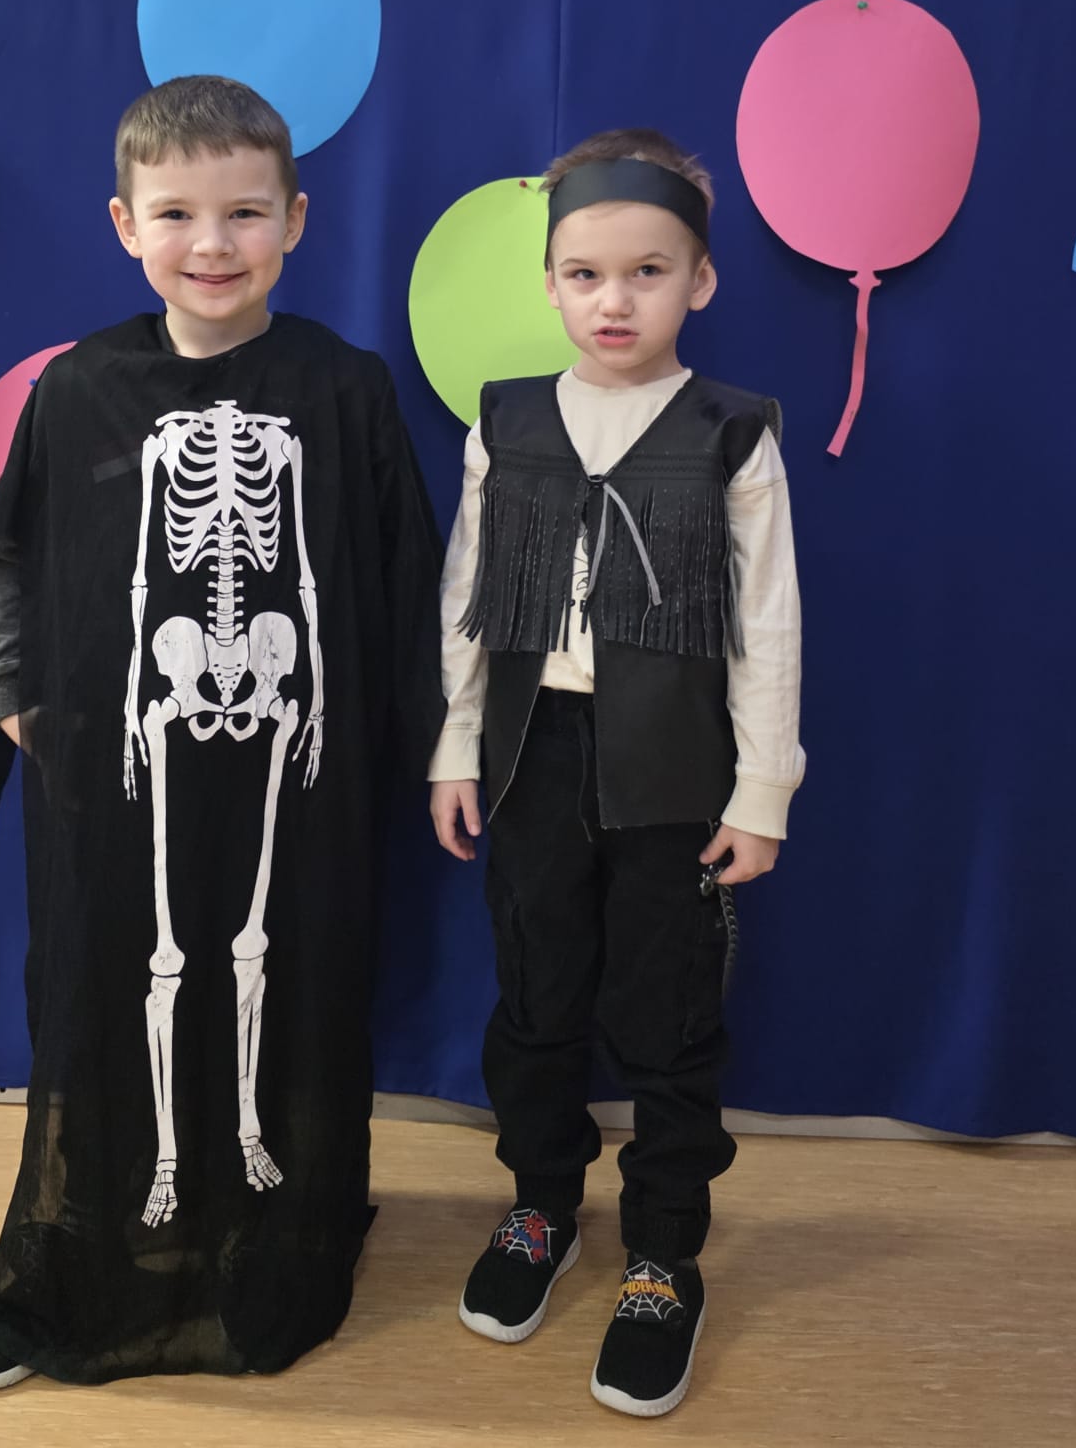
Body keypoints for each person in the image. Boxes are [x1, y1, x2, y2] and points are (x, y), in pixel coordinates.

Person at [0, 75, 444, 1389]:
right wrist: (11, 689)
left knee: (292, 964)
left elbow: (405, 578)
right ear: (125, 224)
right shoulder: (80, 388)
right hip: (127, 760)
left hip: (295, 753)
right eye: (176, 213)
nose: (212, 243)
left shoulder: (344, 389)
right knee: (107, 979)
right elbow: (14, 553)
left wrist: (436, 745)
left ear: (297, 219)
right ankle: (75, 1249)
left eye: (244, 212)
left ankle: (278, 1235)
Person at [429, 128, 804, 1420]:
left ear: (700, 279)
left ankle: (662, 1258)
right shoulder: (509, 421)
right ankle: (540, 1205)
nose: (614, 301)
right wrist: (454, 748)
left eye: (649, 272)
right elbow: (469, 598)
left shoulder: (730, 433)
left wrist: (763, 791)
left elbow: (769, 624)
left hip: (674, 772)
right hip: (534, 757)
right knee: (537, 995)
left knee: (668, 1012)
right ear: (549, 283)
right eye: (585, 274)